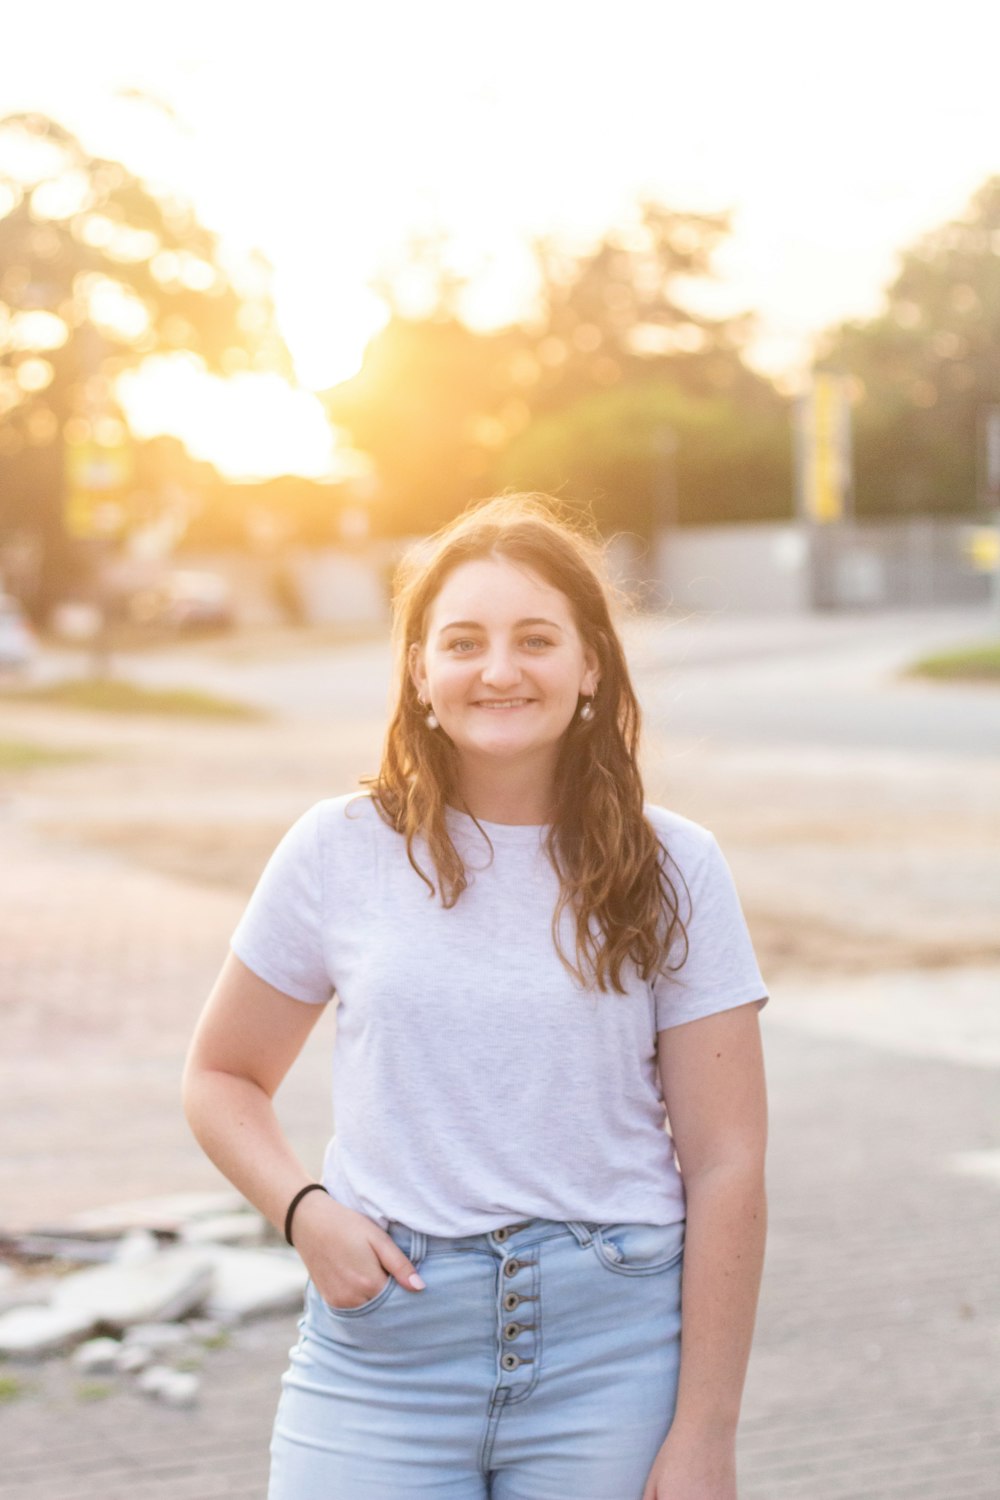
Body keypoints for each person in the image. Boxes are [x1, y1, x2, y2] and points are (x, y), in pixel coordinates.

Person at [182, 491, 769, 1500]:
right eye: (463, 642)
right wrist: (304, 1213)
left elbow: (727, 1163)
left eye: (535, 639)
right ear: (420, 673)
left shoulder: (679, 865)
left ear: (590, 665)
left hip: (614, 1354)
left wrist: (706, 1431)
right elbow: (221, 1075)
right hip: (384, 1350)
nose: (498, 670)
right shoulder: (338, 849)